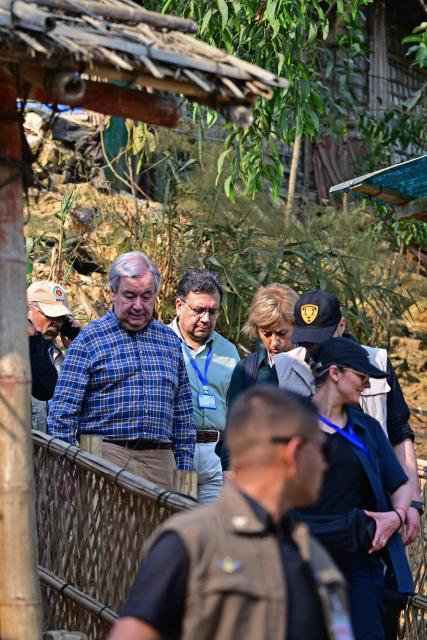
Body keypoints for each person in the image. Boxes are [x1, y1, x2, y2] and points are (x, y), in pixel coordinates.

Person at [109, 386, 354, 640]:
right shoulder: (190, 543)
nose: (326, 464)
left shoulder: (314, 557)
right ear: (294, 453)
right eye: (324, 450)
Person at [275, 289, 422, 545]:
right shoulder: (284, 367)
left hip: (375, 510)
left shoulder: (377, 363)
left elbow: (399, 432)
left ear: (341, 325)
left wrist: (412, 503)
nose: (313, 348)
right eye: (306, 340)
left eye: (320, 338)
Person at [297, 337, 413, 639]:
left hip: (358, 563)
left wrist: (398, 516)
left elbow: (398, 482)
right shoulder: (288, 425)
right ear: (335, 373)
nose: (365, 384)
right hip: (300, 559)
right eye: (361, 377)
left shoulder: (367, 428)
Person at [48, 251, 195, 490]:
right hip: (103, 456)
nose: (138, 305)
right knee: (102, 528)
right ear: (113, 293)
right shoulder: (90, 338)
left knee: (160, 528)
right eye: (129, 296)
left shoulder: (169, 341)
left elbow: (183, 414)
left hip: (160, 463)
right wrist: (64, 464)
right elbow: (63, 410)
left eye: (147, 297)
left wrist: (185, 472)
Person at [170, 269, 239, 503]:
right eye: (199, 310)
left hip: (216, 454)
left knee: (213, 531)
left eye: (213, 311)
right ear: (179, 306)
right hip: (176, 450)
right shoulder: (160, 343)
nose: (206, 319)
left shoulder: (229, 352)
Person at [221, 283, 298, 471]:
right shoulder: (247, 369)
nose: (274, 342)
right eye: (266, 333)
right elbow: (234, 429)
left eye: (282, 333)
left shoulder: (310, 366)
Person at [27, 280, 80, 430]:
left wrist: (77, 345)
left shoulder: (59, 358)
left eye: (61, 318)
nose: (56, 323)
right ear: (27, 310)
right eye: (50, 315)